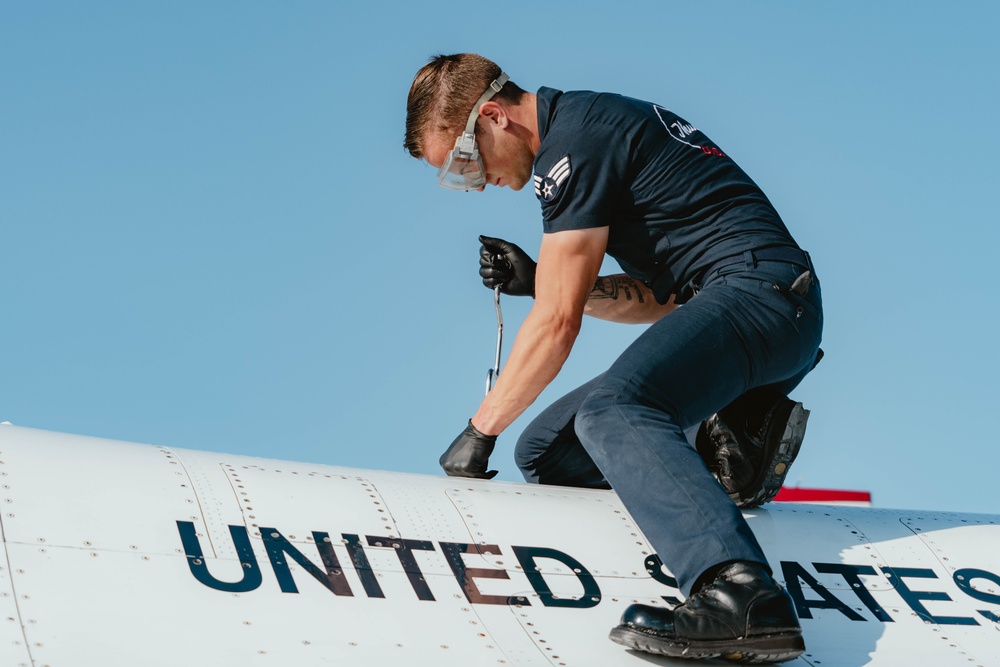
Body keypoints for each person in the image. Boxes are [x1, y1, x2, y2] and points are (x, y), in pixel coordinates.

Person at [404, 53, 823, 663]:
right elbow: (662, 298)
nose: (475, 182)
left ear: (493, 116)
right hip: (743, 303)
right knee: (549, 450)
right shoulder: (586, 130)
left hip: (763, 296)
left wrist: (478, 431)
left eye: (466, 163)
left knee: (615, 409)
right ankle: (724, 445)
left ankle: (738, 592)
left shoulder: (574, 145)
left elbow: (556, 323)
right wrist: (540, 278)